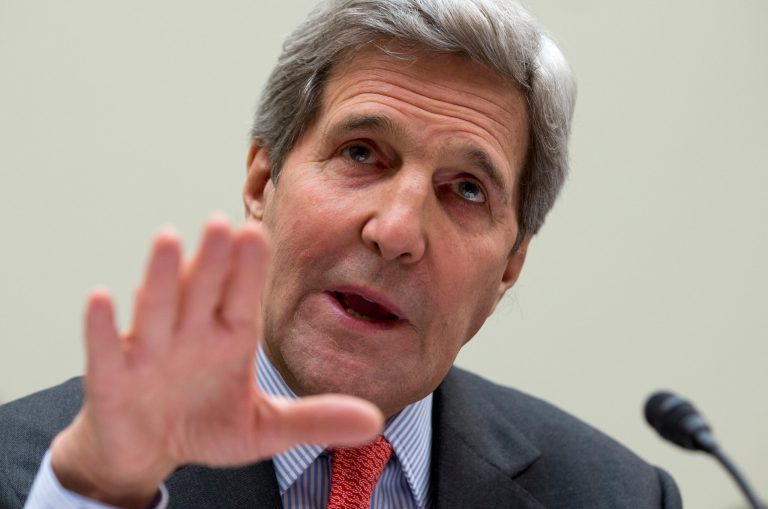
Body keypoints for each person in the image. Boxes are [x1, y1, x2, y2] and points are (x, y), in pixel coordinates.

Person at [0, 0, 682, 507]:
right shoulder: (34, 474)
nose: (396, 231)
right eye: (361, 152)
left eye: (467, 190)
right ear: (263, 183)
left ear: (509, 266)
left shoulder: (615, 494)